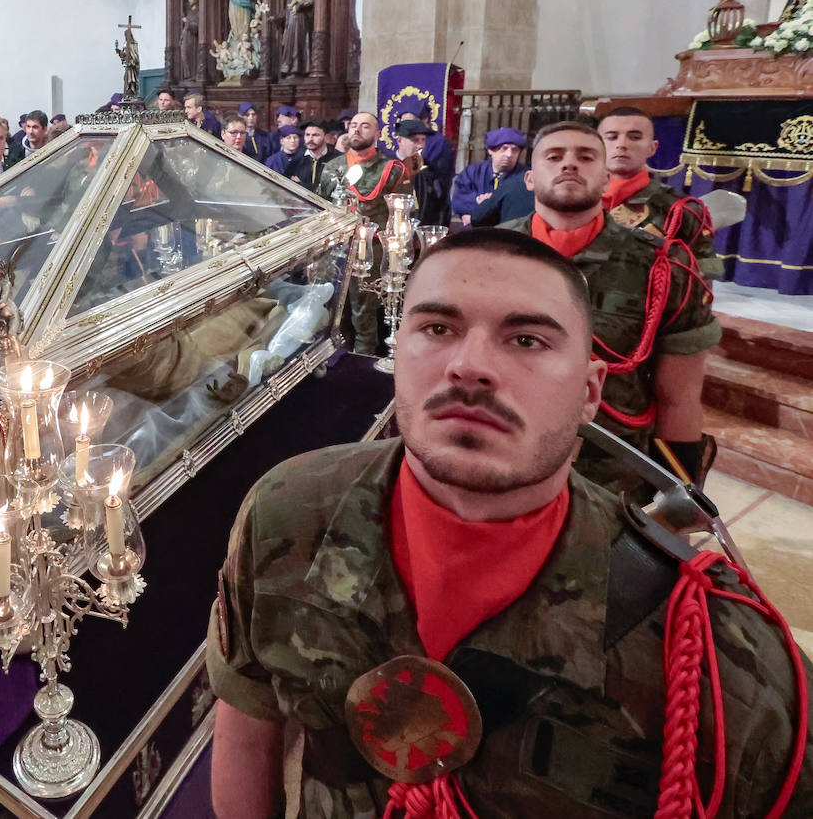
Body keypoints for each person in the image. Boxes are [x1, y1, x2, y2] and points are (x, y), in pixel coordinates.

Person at [208, 225, 813, 818]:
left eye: (527, 340)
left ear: (589, 391)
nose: (469, 367)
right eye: (437, 328)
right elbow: (247, 718)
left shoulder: (712, 651)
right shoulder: (289, 510)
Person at [500, 121, 721, 492]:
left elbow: (679, 397)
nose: (569, 164)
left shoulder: (662, 267)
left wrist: (680, 494)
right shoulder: (487, 255)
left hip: (612, 472)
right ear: (529, 179)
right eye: (554, 157)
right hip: (503, 452)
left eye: (585, 157)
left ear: (605, 179)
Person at [318, 111, 406, 353]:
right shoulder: (332, 167)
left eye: (364, 126)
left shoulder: (391, 169)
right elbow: (320, 210)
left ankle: (362, 366)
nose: (356, 130)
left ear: (377, 134)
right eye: (353, 125)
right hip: (335, 250)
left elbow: (404, 215)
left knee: (363, 316)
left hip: (370, 252)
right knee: (333, 314)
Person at [599, 106, 720, 278]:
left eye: (634, 137)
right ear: (596, 145)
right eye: (611, 137)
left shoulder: (681, 208)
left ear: (652, 148)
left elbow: (710, 270)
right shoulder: (570, 200)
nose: (621, 144)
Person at [451, 127, 527, 225]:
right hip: (475, 230)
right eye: (504, 148)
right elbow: (458, 201)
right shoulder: (473, 172)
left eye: (515, 150)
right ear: (490, 150)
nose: (509, 154)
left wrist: (486, 205)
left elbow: (521, 209)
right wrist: (477, 203)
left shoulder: (525, 177)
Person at [279, 0, 313, 76]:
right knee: (289, 44)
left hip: (299, 20)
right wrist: (276, 17)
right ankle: (288, 67)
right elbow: (288, 8)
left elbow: (310, 2)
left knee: (296, 43)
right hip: (291, 21)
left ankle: (296, 68)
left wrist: (298, 6)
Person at [286, 124, 337, 192]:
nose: (310, 139)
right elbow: (287, 185)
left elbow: (333, 188)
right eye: (307, 135)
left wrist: (301, 184)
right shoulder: (296, 160)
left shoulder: (336, 158)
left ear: (325, 137)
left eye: (315, 135)